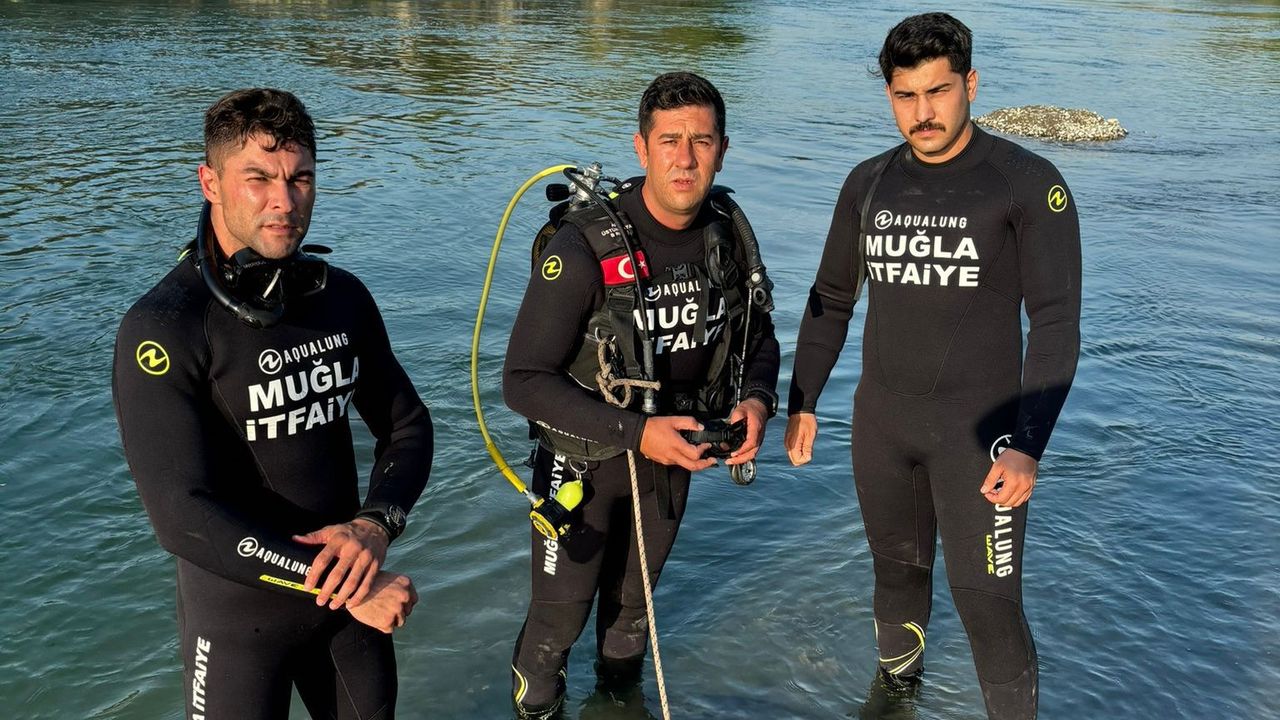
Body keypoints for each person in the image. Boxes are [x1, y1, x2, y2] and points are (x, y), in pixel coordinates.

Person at [784, 14, 1080, 720]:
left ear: (970, 84)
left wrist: (1028, 446)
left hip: (983, 440)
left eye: (938, 92)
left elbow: (1055, 322)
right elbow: (830, 297)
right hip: (882, 429)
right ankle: (895, 703)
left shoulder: (1027, 183)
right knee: (896, 580)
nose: (922, 113)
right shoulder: (868, 183)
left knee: (989, 607)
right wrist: (803, 400)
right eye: (905, 96)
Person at [112, 88, 434, 720]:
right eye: (257, 178)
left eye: (300, 178)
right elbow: (181, 515)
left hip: (349, 605)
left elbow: (407, 427)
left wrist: (375, 525)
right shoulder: (165, 326)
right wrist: (346, 583)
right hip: (240, 626)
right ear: (210, 182)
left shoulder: (341, 299)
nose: (284, 201)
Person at [502, 71, 780, 717]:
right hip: (583, 465)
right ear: (641, 147)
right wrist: (636, 432)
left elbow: (758, 336)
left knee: (633, 620)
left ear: (723, 150)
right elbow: (522, 380)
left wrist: (758, 401)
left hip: (670, 460)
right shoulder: (582, 248)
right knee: (556, 630)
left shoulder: (728, 236)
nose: (685, 159)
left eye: (701, 141)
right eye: (669, 141)